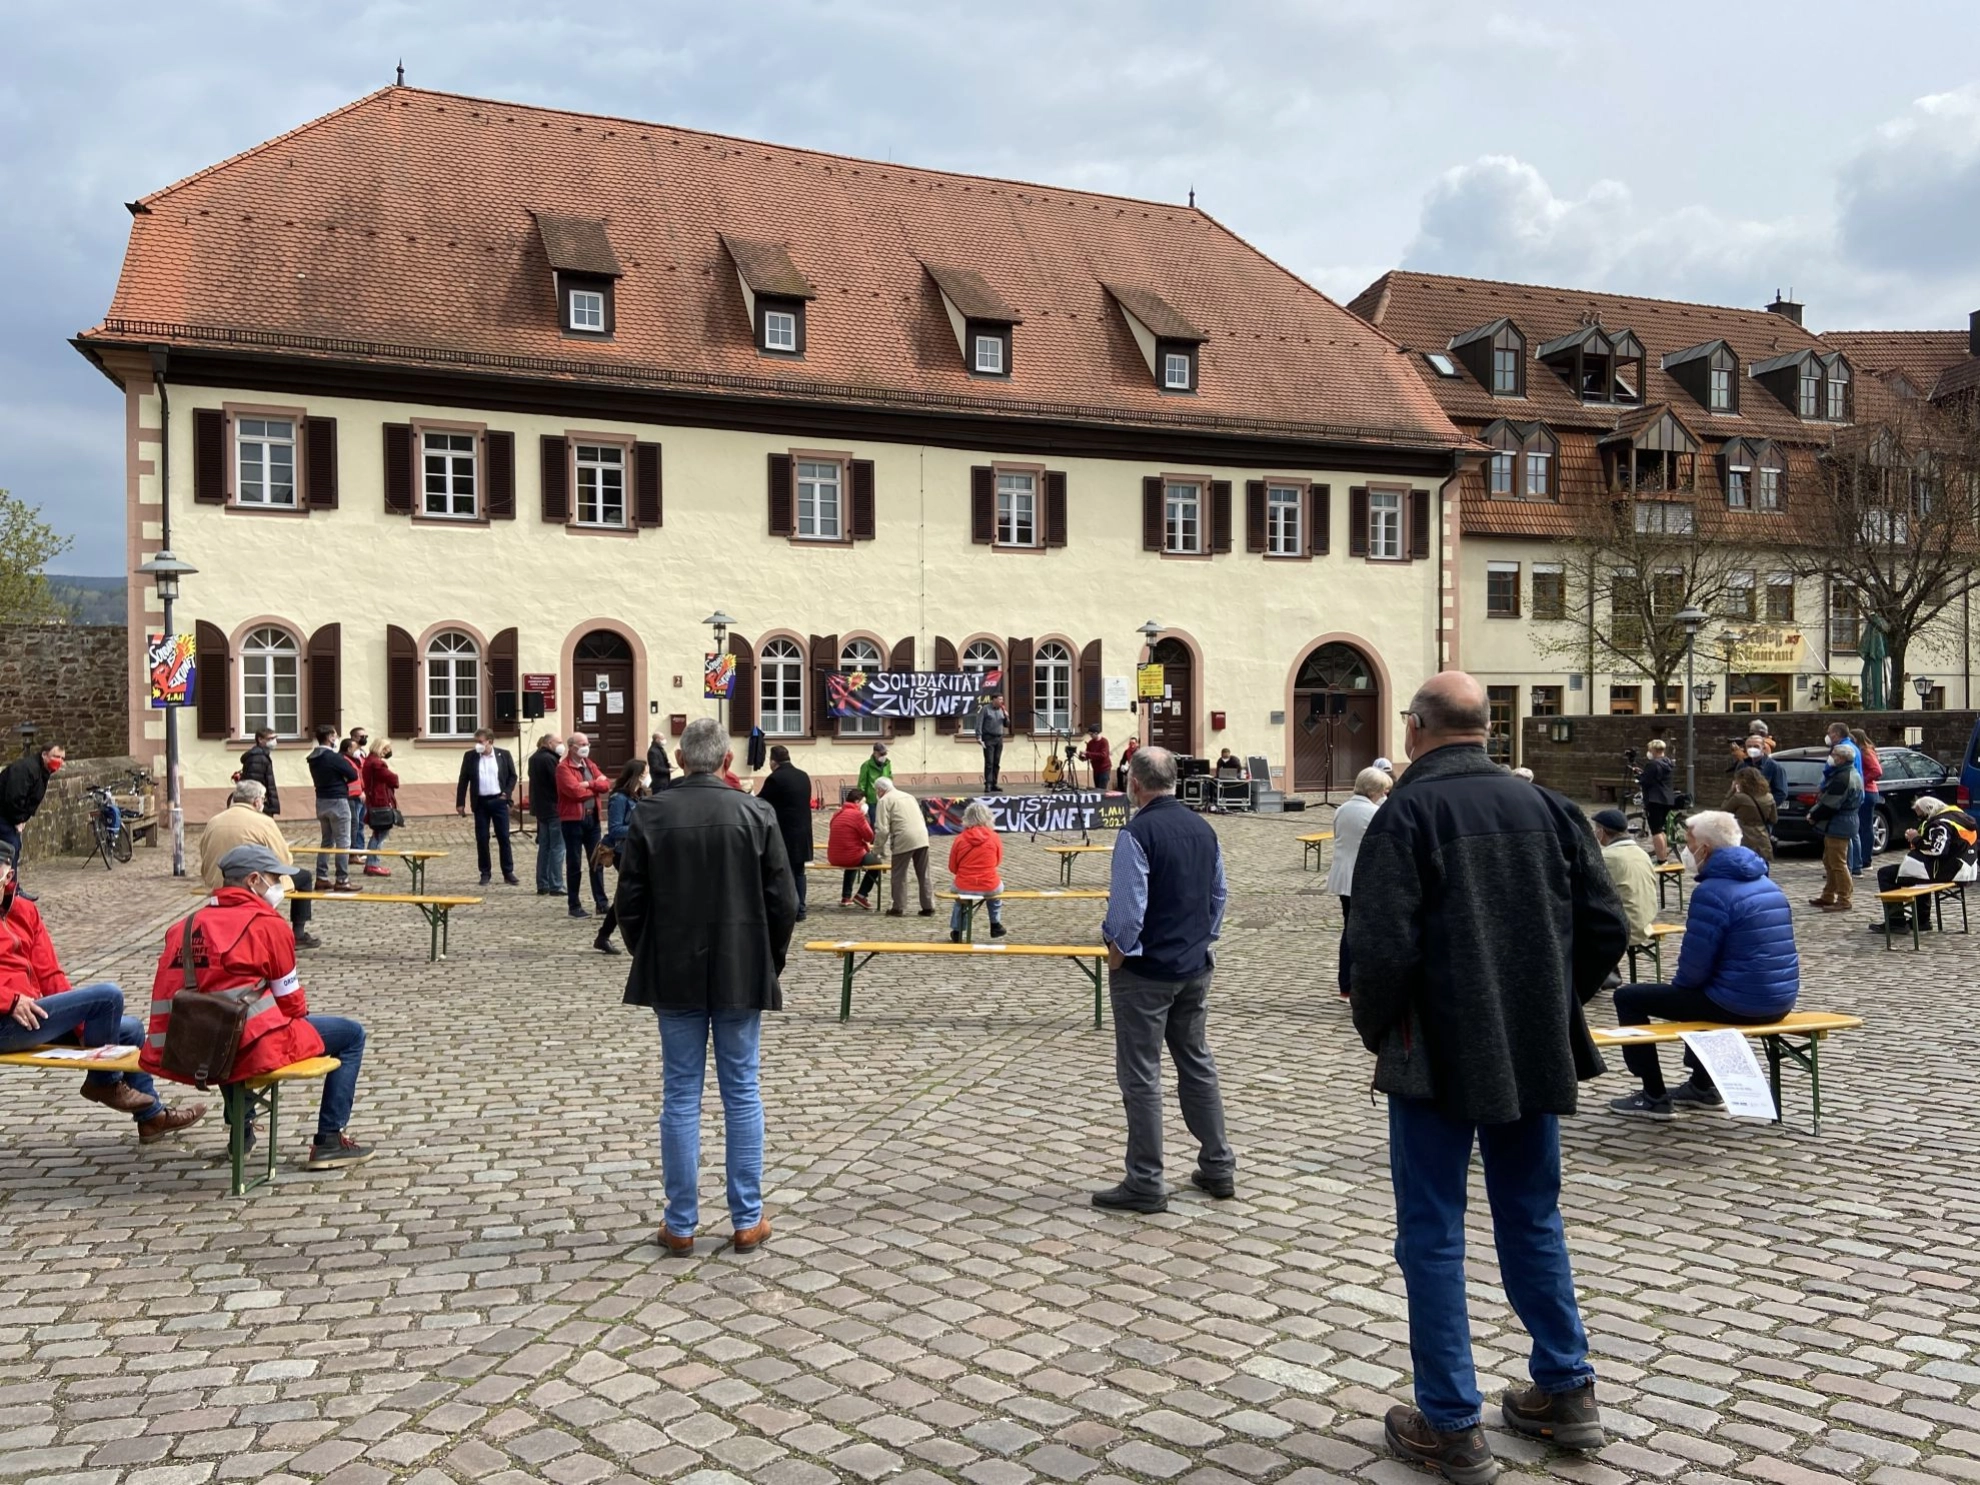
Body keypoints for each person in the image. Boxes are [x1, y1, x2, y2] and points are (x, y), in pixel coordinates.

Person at [1348, 671, 1625, 1477]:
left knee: (1431, 1233)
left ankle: (1450, 1419)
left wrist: (1383, 1031)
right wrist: (1546, 1000)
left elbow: (1381, 949)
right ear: (1486, 730)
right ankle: (1567, 1389)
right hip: (1528, 1045)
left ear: (1417, 729)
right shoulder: (1548, 807)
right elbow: (1607, 923)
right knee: (1532, 1215)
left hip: (1435, 1051)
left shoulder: (1407, 810)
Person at [616, 716, 798, 1257]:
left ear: (678, 759)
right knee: (741, 1092)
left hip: (674, 969)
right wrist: (769, 960)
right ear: (726, 762)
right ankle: (746, 1219)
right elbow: (784, 902)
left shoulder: (650, 813)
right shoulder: (755, 812)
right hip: (741, 967)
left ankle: (681, 1223)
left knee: (680, 1095)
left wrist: (647, 952)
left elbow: (629, 901)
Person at [143, 844, 373, 1169]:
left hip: (189, 1048)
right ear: (254, 880)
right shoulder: (268, 924)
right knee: (351, 1036)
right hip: (248, 1049)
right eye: (274, 878)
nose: (279, 886)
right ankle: (330, 1140)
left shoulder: (182, 927)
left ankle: (242, 1133)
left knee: (221, 1026)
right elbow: (291, 1003)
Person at [1095, 745, 1235, 1214]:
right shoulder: (1203, 827)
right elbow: (1219, 895)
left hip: (1145, 969)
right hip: (1194, 965)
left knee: (1141, 1075)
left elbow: (1129, 909)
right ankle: (1218, 1164)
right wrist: (1202, 940)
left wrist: (1116, 950)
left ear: (1134, 784)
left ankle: (1146, 1180)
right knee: (1196, 1061)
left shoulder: (1137, 833)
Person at [0, 839, 204, 1142]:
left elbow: (50, 973)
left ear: (8, 877)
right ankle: (104, 1081)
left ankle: (152, 1119)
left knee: (130, 1030)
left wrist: (80, 1025)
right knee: (108, 996)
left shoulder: (24, 911)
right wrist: (10, 1000)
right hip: (6, 1022)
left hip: (33, 1017)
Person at [1609, 811, 1798, 1118]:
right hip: (1780, 1000)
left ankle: (1653, 1094)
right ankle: (1701, 1086)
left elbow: (1694, 968)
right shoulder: (1767, 884)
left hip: (1738, 1003)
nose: (1686, 850)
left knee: (1628, 997)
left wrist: (1679, 995)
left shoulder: (1712, 891)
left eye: (1688, 843)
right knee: (1704, 994)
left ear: (1705, 849)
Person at [199, 779, 322, 950]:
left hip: (217, 880)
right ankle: (298, 934)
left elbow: (203, 852)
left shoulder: (214, 820)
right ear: (257, 801)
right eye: (263, 799)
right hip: (249, 883)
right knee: (305, 877)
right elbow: (284, 861)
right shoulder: (263, 822)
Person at [1870, 796, 1980, 933]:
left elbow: (1937, 850)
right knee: (1917, 873)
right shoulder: (1959, 816)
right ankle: (1922, 920)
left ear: (1928, 811)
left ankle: (1896, 921)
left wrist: (1915, 839)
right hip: (1963, 869)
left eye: (1920, 816)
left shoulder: (1941, 823)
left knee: (1886, 874)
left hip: (1947, 871)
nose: (1920, 820)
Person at [1327, 766, 1391, 998]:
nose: (1385, 795)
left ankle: (1346, 983)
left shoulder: (1343, 809)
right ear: (1373, 790)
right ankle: (1359, 983)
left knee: (1349, 929)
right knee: (1365, 932)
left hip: (1344, 876)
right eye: (1383, 790)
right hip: (1364, 878)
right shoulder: (1373, 813)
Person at [592, 758, 648, 955]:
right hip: (620, 851)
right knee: (628, 893)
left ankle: (603, 935)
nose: (646, 777)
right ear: (636, 775)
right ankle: (604, 935)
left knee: (630, 893)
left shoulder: (638, 795)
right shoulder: (619, 798)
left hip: (635, 849)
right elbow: (615, 829)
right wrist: (641, 828)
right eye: (644, 773)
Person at [557, 730, 613, 918]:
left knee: (597, 861)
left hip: (592, 819)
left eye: (587, 744)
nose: (585, 747)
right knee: (574, 863)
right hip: (573, 821)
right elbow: (574, 792)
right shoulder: (563, 768)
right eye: (581, 744)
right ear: (571, 747)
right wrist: (595, 786)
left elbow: (606, 785)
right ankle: (574, 905)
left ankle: (601, 903)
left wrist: (589, 785)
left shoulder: (589, 764)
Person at [454, 728, 520, 887]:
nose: (478, 745)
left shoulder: (503, 755)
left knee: (503, 837)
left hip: (499, 801)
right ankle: (485, 872)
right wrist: (460, 802)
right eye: (476, 742)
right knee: (482, 838)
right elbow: (463, 780)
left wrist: (506, 793)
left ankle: (508, 871)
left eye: (480, 742)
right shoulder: (470, 757)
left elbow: (512, 776)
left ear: (490, 741)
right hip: (481, 803)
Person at [757, 745, 815, 922]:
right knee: (799, 872)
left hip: (784, 833)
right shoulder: (803, 776)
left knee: (782, 872)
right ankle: (802, 909)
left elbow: (761, 802)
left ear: (773, 762)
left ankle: (788, 908)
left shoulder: (775, 779)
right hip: (803, 831)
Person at [0, 739, 65, 895]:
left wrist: (22, 819)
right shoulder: (27, 769)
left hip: (11, 816)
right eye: (56, 756)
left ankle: (10, 888)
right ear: (44, 755)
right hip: (5, 815)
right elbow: (13, 797)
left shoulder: (42, 771)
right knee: (10, 850)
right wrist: (18, 820)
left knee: (12, 849)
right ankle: (10, 890)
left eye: (62, 758)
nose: (59, 761)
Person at [1590, 809, 1658, 954]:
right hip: (1645, 923)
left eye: (1596, 829)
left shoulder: (1608, 857)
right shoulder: (1642, 853)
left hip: (1623, 927)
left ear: (1602, 831)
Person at [1809, 743, 1863, 912]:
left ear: (1841, 758)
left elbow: (1830, 803)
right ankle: (1828, 894)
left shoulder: (1843, 777)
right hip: (1844, 821)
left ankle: (1844, 898)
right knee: (1830, 860)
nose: (1831, 758)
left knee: (1838, 863)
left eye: (1833, 755)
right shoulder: (1850, 773)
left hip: (1840, 823)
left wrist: (1813, 815)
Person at [306, 723, 359, 892]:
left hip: (321, 800)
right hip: (338, 800)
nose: (336, 739)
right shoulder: (333, 757)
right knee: (343, 842)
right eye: (335, 736)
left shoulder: (313, 757)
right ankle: (342, 879)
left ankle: (321, 877)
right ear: (329, 737)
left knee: (326, 841)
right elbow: (352, 773)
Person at [873, 777, 934, 917]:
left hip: (904, 838)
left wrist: (877, 849)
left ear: (880, 790)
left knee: (899, 875)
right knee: (924, 873)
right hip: (922, 836)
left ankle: (898, 907)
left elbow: (882, 829)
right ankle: (928, 906)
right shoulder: (909, 796)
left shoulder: (884, 801)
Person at [946, 801, 1006, 942]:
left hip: (964, 885)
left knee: (960, 901)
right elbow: (997, 861)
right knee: (996, 893)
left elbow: (952, 867)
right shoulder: (994, 837)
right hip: (989, 884)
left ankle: (957, 930)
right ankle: (995, 924)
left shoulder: (960, 839)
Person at [827, 788, 882, 908]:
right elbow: (869, 836)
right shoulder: (857, 815)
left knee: (851, 861)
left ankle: (846, 897)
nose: (865, 804)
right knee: (877, 864)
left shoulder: (837, 813)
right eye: (863, 801)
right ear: (857, 802)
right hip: (850, 856)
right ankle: (861, 895)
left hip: (834, 856)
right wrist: (865, 817)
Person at [527, 733, 566, 895]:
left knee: (545, 847)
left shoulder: (534, 757)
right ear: (549, 743)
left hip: (541, 807)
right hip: (553, 807)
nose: (561, 745)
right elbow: (557, 783)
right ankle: (555, 885)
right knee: (557, 847)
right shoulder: (549, 759)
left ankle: (543, 883)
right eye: (559, 742)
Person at [359, 740, 399, 876]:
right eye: (386, 749)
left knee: (378, 833)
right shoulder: (377, 764)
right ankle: (372, 864)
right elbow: (393, 779)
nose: (388, 752)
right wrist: (395, 777)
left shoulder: (370, 761)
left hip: (374, 800)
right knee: (380, 834)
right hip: (379, 802)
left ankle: (371, 863)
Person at [1722, 767, 1776, 864]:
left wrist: (1731, 791)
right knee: (1762, 872)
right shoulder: (1769, 797)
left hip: (1743, 838)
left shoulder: (1739, 798)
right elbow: (1773, 819)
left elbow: (1723, 812)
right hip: (1762, 840)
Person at [1635, 739, 1675, 863]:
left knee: (1656, 831)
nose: (1649, 752)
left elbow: (1646, 781)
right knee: (1660, 829)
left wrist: (1639, 775)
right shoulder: (1667, 762)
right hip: (1666, 799)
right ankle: (1663, 857)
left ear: (1654, 750)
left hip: (1655, 799)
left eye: (1650, 750)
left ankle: (1661, 859)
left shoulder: (1653, 764)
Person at [1850, 727, 1882, 874]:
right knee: (1863, 826)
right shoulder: (1862, 751)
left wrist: (1861, 780)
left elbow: (1877, 771)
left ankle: (1866, 860)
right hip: (1867, 790)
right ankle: (1861, 858)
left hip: (1868, 792)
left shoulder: (1865, 751)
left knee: (1865, 826)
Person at [239, 729, 281, 817]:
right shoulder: (258, 758)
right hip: (259, 805)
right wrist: (261, 806)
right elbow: (253, 785)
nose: (274, 741)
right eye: (270, 739)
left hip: (262, 803)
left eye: (275, 738)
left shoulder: (262, 755)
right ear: (260, 739)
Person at [977, 692, 1008, 793]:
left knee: (996, 762)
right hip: (988, 738)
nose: (1001, 701)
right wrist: (979, 736)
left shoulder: (1002, 710)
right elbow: (979, 722)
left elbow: (1007, 725)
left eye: (1002, 699)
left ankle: (994, 783)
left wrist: (1006, 716)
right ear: (993, 700)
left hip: (999, 738)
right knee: (989, 762)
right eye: (999, 699)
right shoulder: (986, 709)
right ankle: (988, 784)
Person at [344, 731, 369, 854]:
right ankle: (354, 851)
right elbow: (353, 777)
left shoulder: (362, 754)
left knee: (360, 823)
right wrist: (359, 791)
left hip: (362, 793)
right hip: (354, 795)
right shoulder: (347, 758)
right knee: (355, 824)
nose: (364, 738)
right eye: (362, 736)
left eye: (366, 736)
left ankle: (359, 848)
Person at [1744, 737, 1786, 808]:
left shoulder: (1774, 767)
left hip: (1764, 812)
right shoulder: (1742, 765)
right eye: (1749, 746)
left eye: (1756, 746)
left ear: (1763, 748)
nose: (1752, 749)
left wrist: (1765, 807)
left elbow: (1781, 793)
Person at [857, 743, 892, 824]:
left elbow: (890, 777)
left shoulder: (887, 764)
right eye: (881, 754)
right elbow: (862, 784)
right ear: (875, 753)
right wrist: (862, 799)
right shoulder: (866, 765)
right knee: (875, 823)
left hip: (886, 798)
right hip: (872, 800)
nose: (884, 756)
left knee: (886, 823)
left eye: (885, 753)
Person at [1080, 724, 1113, 791]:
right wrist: (1083, 757)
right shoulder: (1090, 743)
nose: (1090, 736)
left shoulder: (1104, 742)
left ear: (1096, 733)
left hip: (1104, 769)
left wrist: (1088, 754)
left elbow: (1103, 755)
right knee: (1097, 788)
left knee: (1102, 789)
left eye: (1091, 734)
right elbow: (1088, 754)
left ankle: (1103, 801)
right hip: (1096, 769)